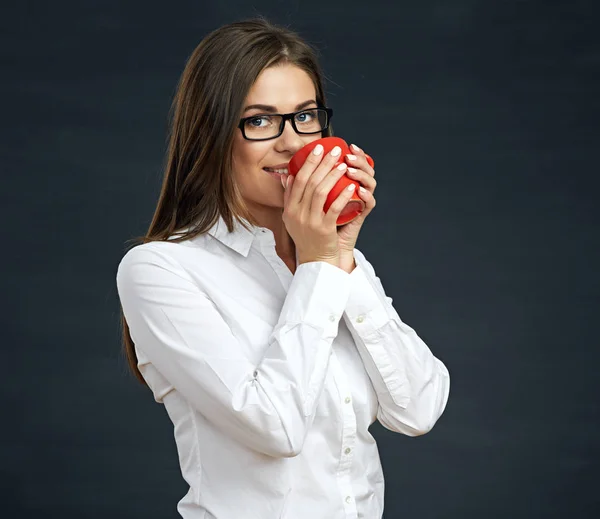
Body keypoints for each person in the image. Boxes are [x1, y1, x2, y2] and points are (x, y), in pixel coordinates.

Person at [116, 17, 450, 519]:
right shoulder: (160, 269)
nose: (293, 143)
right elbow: (275, 427)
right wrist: (321, 264)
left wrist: (340, 257)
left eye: (306, 116)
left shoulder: (328, 262)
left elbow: (418, 410)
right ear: (211, 134)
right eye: (259, 120)